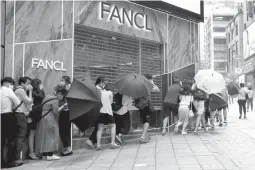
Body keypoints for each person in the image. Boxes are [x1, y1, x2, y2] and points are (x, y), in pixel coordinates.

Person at [35, 85, 67, 161]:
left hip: (43, 119)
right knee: (51, 136)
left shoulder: (48, 97)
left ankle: (44, 155)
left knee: (44, 137)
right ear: (59, 93)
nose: (62, 97)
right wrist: (63, 106)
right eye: (62, 95)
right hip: (50, 119)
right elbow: (56, 112)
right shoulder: (55, 100)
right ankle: (50, 155)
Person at [1, 77, 22, 168]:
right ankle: (10, 160)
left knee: (1, 141)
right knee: (11, 139)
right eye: (11, 84)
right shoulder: (8, 90)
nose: (12, 86)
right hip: (7, 116)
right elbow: (17, 102)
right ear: (7, 83)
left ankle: (2, 162)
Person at [14, 77, 33, 164]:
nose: (29, 85)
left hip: (19, 115)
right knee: (21, 136)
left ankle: (17, 157)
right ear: (22, 83)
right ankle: (17, 158)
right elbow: (29, 101)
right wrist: (31, 92)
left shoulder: (19, 90)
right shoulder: (20, 90)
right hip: (20, 115)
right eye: (28, 83)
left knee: (20, 136)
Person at [96, 83, 120, 150]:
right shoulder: (110, 93)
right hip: (108, 112)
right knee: (113, 126)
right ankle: (112, 143)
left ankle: (98, 145)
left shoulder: (100, 92)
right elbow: (111, 102)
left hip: (100, 112)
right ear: (111, 89)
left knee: (100, 129)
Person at [86, 76, 107, 148]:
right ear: (101, 82)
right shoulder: (97, 90)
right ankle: (91, 140)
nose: (104, 85)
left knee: (99, 126)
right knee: (100, 126)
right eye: (103, 83)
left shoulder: (98, 89)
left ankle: (93, 141)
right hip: (97, 110)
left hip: (99, 110)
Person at [28, 78, 45, 160]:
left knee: (36, 133)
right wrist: (41, 90)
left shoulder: (38, 92)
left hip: (37, 113)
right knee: (32, 133)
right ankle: (31, 152)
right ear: (37, 84)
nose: (41, 85)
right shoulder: (33, 92)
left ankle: (35, 151)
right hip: (33, 113)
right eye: (40, 84)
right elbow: (41, 97)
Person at [59, 76, 73, 156]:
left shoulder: (68, 89)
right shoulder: (63, 89)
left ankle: (68, 148)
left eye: (62, 80)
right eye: (60, 80)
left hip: (66, 112)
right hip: (65, 111)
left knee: (63, 130)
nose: (61, 82)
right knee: (65, 130)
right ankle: (68, 148)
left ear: (67, 82)